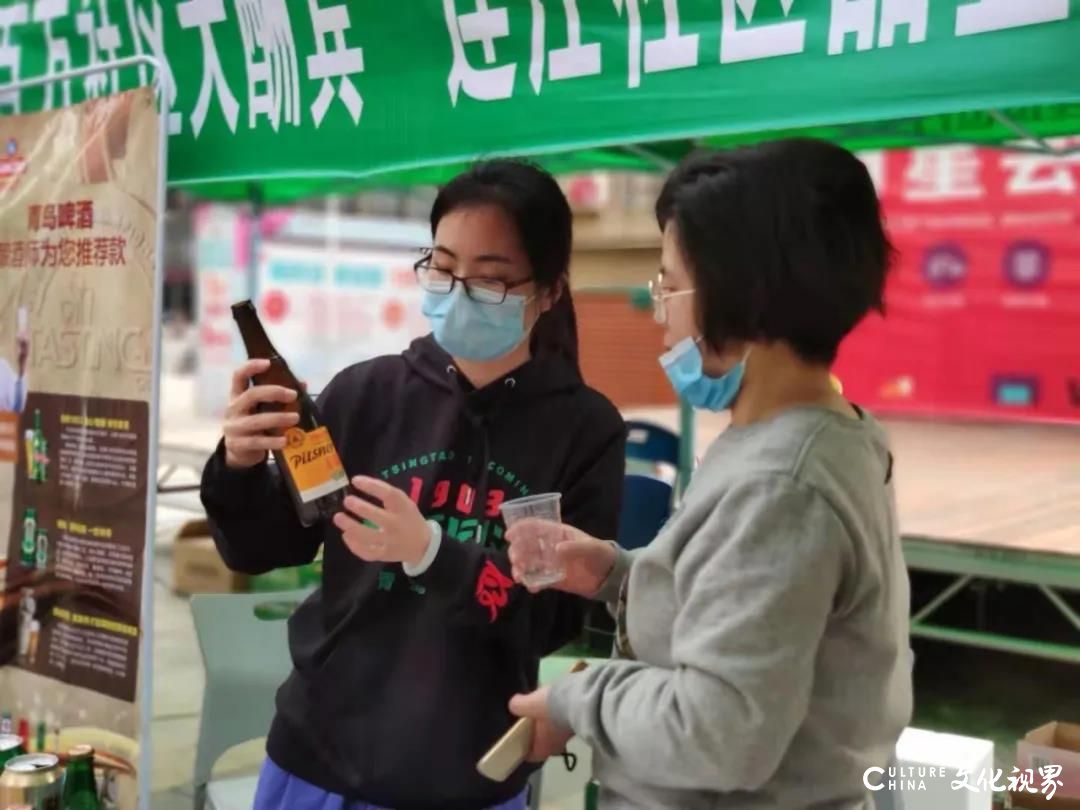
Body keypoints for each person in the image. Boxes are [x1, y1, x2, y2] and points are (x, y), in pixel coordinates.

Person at [199, 159, 626, 810]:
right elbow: (265, 548)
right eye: (443, 266)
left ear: (549, 290)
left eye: (490, 280)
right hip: (318, 755)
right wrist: (236, 466)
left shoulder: (583, 430)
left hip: (463, 772)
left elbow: (552, 621)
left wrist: (430, 551)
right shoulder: (363, 394)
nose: (457, 292)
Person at [506, 139, 914, 809]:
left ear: (739, 292)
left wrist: (577, 699)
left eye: (668, 281)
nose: (659, 309)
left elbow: (720, 730)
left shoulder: (781, 485)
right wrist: (619, 573)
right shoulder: (809, 436)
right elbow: (744, 607)